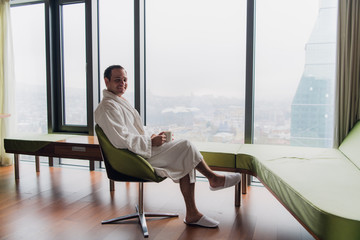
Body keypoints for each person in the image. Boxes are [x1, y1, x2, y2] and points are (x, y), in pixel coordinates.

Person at [95, 65, 241, 228]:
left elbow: (133, 131)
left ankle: (196, 209)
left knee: (184, 153)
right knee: (185, 147)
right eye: (117, 80)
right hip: (134, 159)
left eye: (125, 79)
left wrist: (153, 136)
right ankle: (212, 180)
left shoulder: (118, 102)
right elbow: (120, 140)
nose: (122, 83)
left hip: (139, 151)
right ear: (106, 81)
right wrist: (150, 142)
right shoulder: (107, 107)